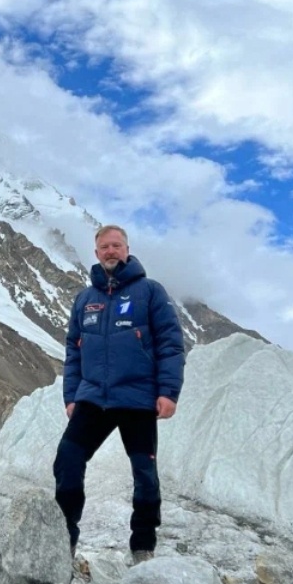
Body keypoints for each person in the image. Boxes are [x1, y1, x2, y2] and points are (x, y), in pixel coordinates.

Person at [53, 224, 185, 565]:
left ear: (127, 250)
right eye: (104, 247)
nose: (111, 251)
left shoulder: (150, 292)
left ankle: (143, 545)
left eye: (117, 245)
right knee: (67, 460)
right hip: (93, 398)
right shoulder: (85, 299)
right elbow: (73, 350)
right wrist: (72, 395)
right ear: (96, 254)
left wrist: (168, 391)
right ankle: (64, 538)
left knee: (144, 474)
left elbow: (171, 343)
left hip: (138, 398)